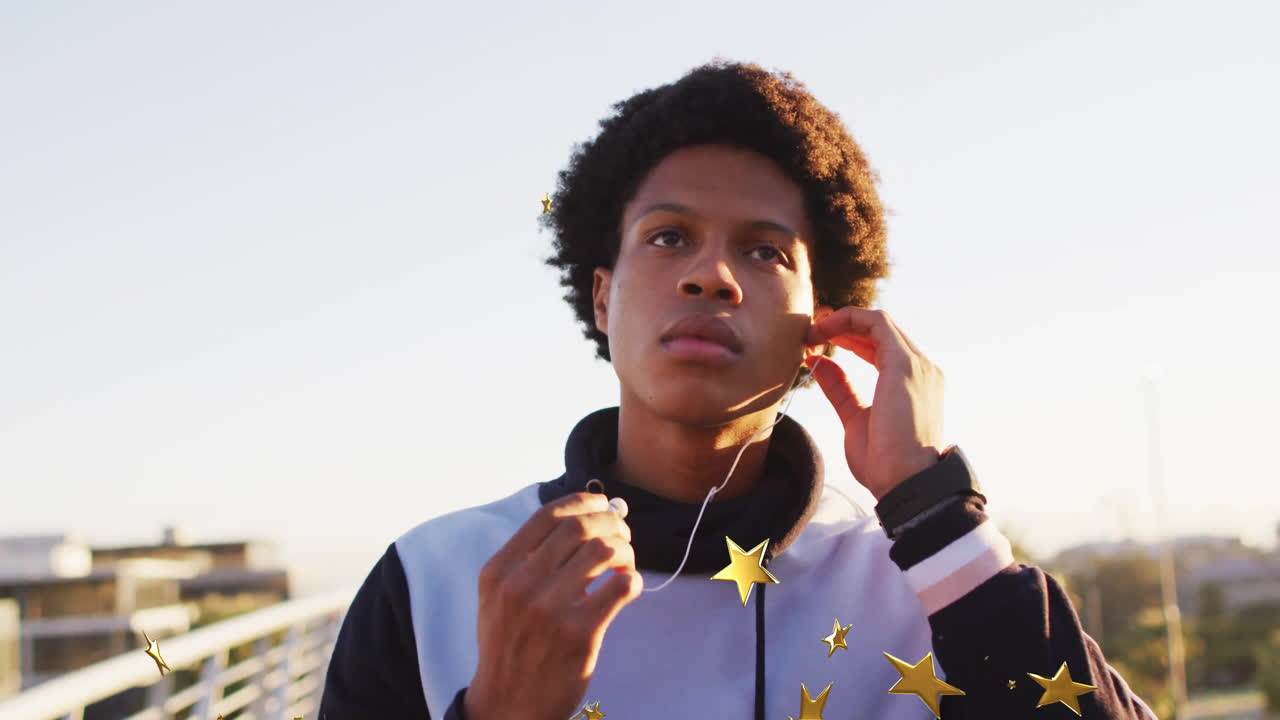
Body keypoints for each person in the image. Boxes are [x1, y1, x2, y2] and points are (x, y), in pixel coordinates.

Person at [319, 59, 1157, 720]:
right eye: (669, 236)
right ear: (603, 296)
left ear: (822, 319)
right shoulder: (437, 579)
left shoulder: (928, 587)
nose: (711, 276)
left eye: (764, 251)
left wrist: (936, 508)